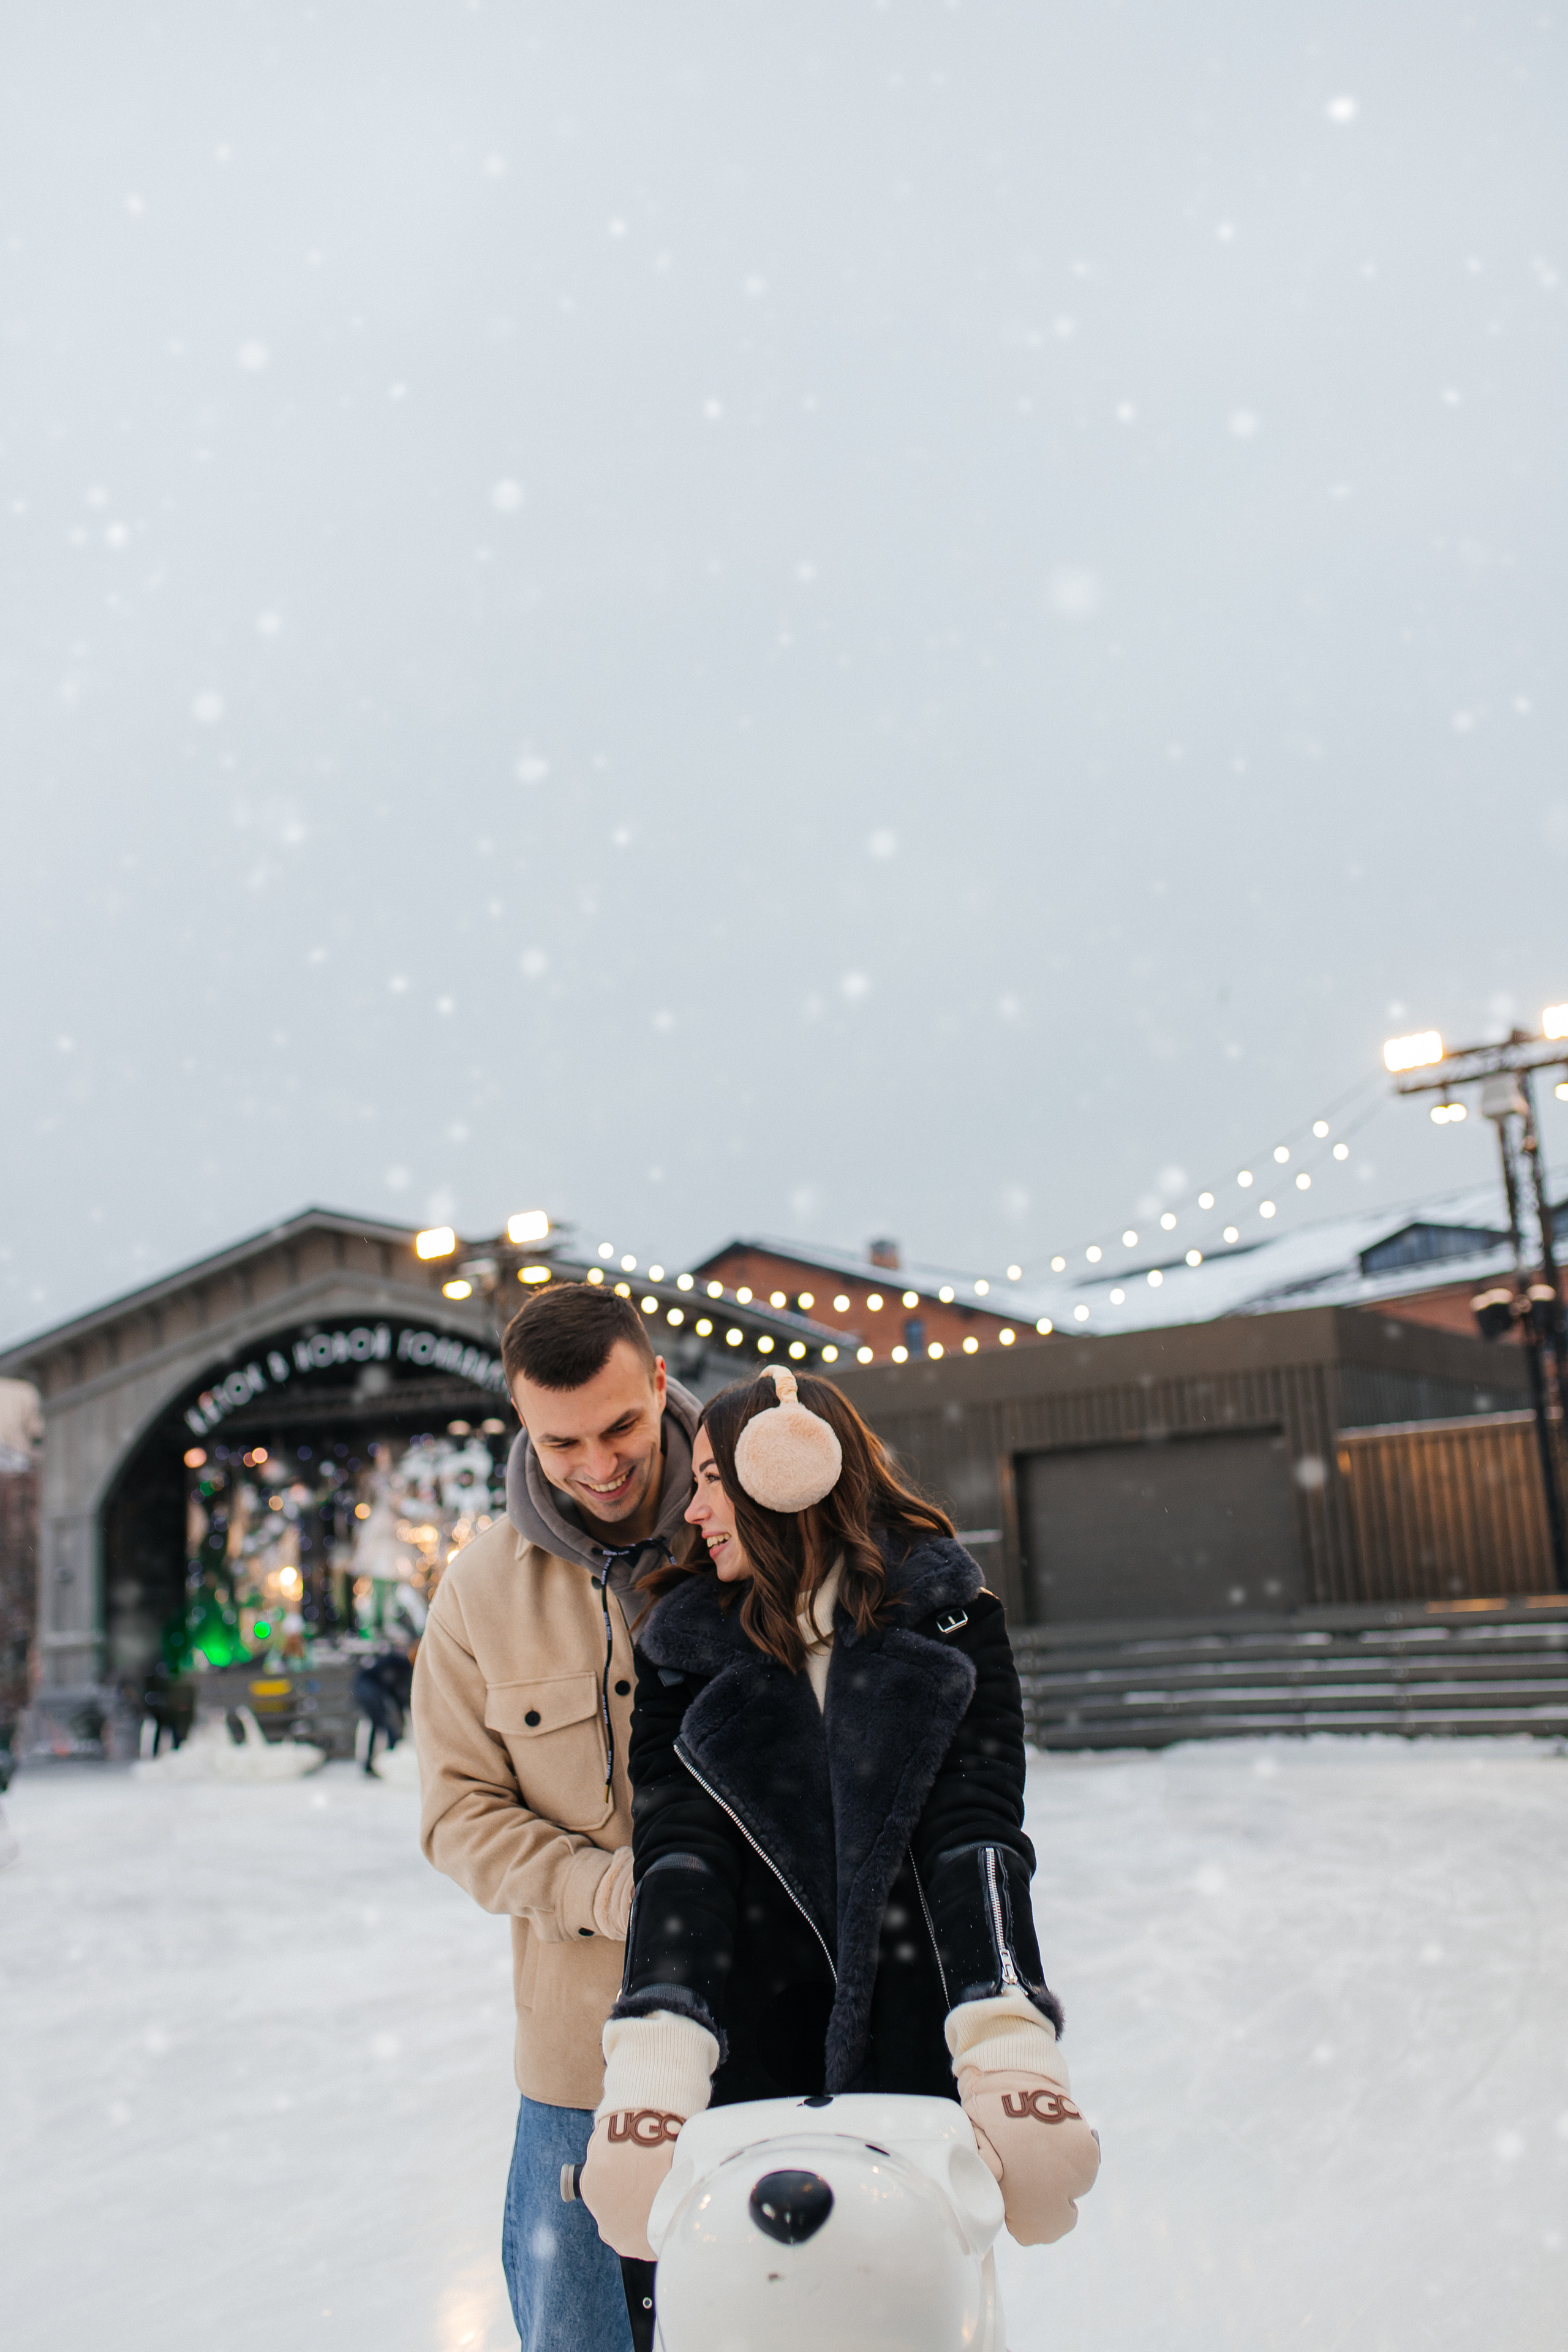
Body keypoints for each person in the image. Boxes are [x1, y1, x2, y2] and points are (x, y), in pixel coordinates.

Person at [579, 1365, 1100, 2267]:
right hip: (742, 2082)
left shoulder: (952, 1630)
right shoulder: (679, 1650)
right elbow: (682, 1856)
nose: (693, 1513)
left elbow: (973, 1835)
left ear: (790, 1477)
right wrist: (652, 2073)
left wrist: (1010, 2049)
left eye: (711, 1484)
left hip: (909, 2082)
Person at [413, 1283, 701, 2352]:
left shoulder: (754, 1540)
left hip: (777, 2051)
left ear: (660, 1380)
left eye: (621, 1425)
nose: (600, 1463)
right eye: (563, 1439)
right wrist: (606, 1889)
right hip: (581, 2069)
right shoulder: (479, 1592)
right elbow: (456, 1813)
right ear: (524, 1427)